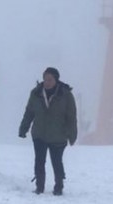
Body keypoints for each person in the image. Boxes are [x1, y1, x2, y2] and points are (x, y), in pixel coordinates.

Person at [18, 67, 77, 195]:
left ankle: (59, 186)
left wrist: (72, 135)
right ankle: (39, 186)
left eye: (50, 79)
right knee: (39, 160)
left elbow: (71, 117)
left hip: (58, 135)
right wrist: (24, 128)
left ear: (56, 79)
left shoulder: (66, 95)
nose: (47, 82)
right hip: (39, 133)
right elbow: (29, 112)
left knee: (56, 162)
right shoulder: (36, 93)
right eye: (45, 79)